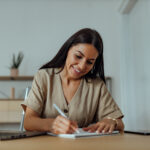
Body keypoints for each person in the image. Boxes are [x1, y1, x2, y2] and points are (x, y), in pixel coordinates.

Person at [22, 28, 124, 134]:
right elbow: (28, 122)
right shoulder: (44, 77)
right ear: (68, 49)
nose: (81, 66)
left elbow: (120, 123)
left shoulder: (96, 85)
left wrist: (112, 121)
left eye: (89, 62)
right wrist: (52, 125)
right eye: (78, 56)